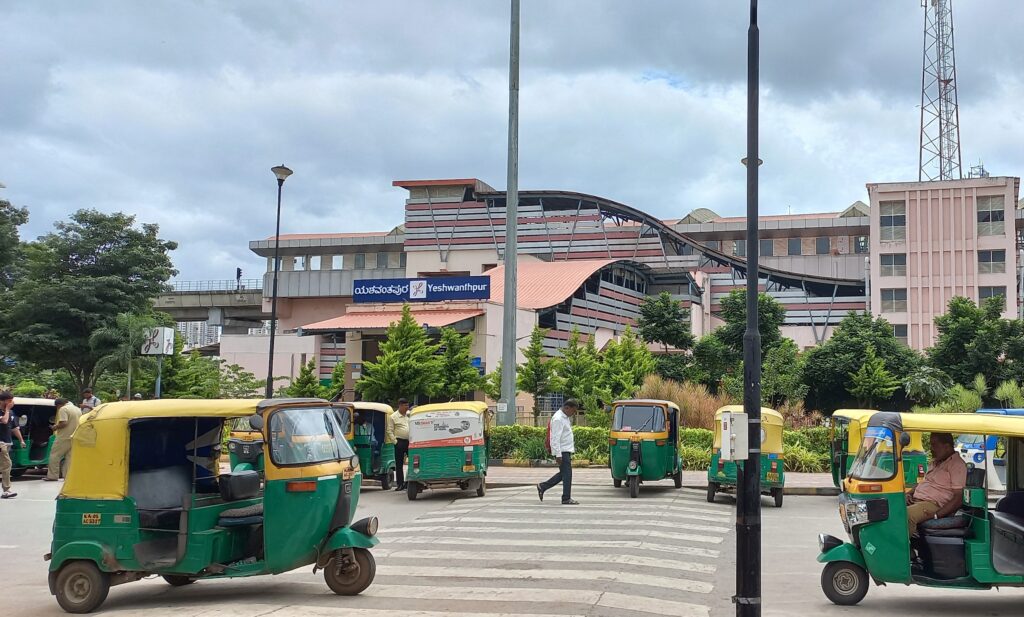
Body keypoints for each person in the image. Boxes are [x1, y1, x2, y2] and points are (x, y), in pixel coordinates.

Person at [906, 432, 968, 537]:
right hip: (917, 500)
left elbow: (958, 498)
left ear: (947, 446)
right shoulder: (935, 462)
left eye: (934, 445)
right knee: (890, 508)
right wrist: (908, 494)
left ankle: (902, 551)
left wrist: (936, 515)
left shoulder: (957, 464)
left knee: (907, 515)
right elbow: (924, 482)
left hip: (933, 504)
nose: (931, 449)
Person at [537, 399, 579, 505]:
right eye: (573, 411)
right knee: (567, 474)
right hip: (562, 451)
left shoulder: (564, 417)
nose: (573, 414)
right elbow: (555, 438)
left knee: (564, 474)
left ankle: (543, 486)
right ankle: (566, 498)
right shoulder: (558, 419)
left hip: (565, 450)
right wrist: (558, 455)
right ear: (567, 408)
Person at [45, 398, 81, 482]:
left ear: (59, 405)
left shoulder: (63, 409)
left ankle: (52, 476)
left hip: (64, 436)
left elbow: (64, 422)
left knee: (54, 455)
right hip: (74, 436)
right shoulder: (77, 409)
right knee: (69, 457)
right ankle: (67, 476)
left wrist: (55, 427)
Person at [1, 391, 26, 499]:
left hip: (7, 442)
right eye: (10, 400)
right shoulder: (5, 412)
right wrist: (7, 410)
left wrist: (21, 440)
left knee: (5, 465)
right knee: (7, 464)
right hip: (0, 442)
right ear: (3, 401)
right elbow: (4, 421)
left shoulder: (11, 413)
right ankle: (7, 490)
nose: (12, 402)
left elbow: (14, 428)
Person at [391, 398, 411, 491]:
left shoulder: (409, 415)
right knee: (399, 464)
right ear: (400, 405)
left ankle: (409, 481)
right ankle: (400, 484)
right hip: (399, 442)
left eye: (408, 405)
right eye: (405, 405)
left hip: (409, 441)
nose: (407, 407)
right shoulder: (393, 416)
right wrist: (395, 442)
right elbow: (389, 431)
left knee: (412, 462)